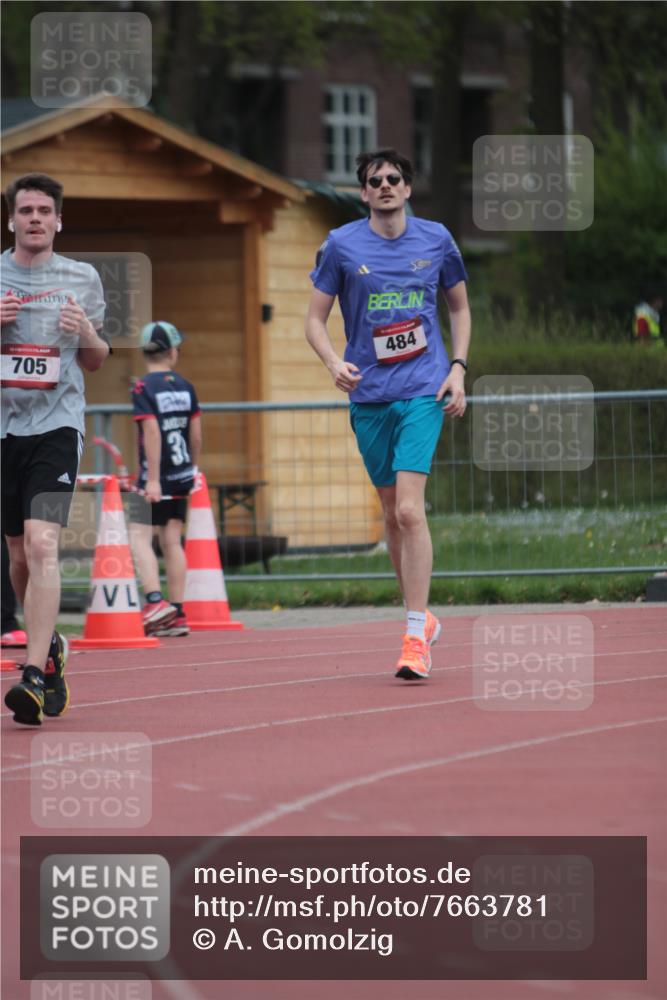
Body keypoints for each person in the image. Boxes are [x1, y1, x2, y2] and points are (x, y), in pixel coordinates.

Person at [305, 148, 471, 680]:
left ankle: (414, 635)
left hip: (423, 388)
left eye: (393, 178)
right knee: (390, 510)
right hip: (369, 394)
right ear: (363, 192)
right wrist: (333, 362)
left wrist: (458, 368)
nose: (384, 185)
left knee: (409, 511)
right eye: (374, 180)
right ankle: (421, 617)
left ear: (407, 188)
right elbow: (314, 319)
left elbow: (459, 306)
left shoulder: (437, 239)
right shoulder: (341, 245)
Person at [2, 172, 108, 725]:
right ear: (12, 220)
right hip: (4, 430)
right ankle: (50, 648)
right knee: (19, 555)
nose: (35, 219)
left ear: (59, 221)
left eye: (45, 211)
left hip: (56, 426)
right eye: (26, 211)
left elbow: (96, 359)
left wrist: (85, 330)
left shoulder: (82, 278)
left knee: (43, 544)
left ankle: (33, 674)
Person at [127, 321, 201, 637]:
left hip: (155, 475)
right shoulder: (186, 386)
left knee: (139, 536)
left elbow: (152, 431)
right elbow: (195, 434)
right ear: (172, 352)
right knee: (172, 540)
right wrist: (193, 468)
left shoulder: (143, 387)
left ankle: (156, 602)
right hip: (182, 472)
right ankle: (178, 612)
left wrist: (153, 479)